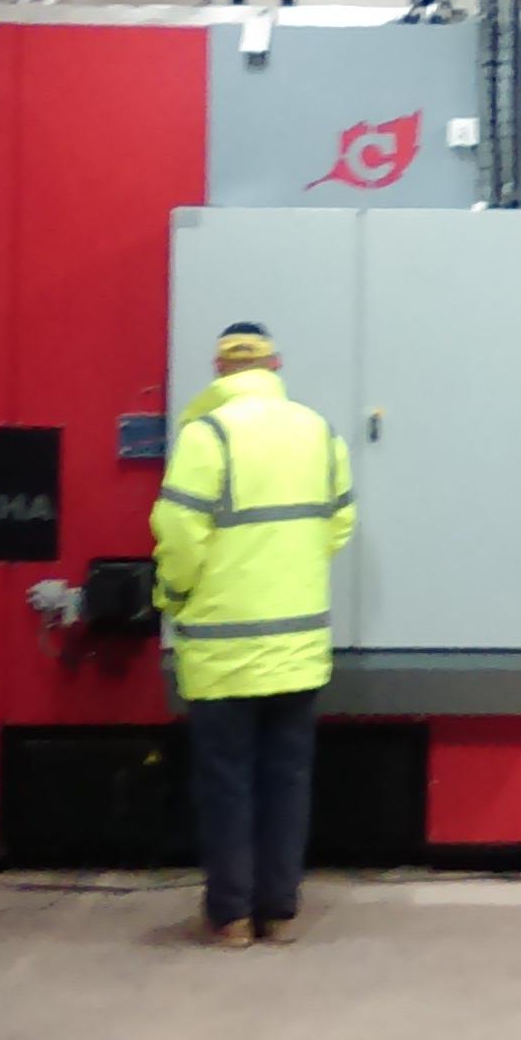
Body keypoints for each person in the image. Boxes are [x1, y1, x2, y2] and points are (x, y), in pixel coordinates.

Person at [150, 322, 355, 948]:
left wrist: (175, 595)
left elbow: (180, 534)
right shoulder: (317, 432)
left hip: (221, 648)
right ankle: (281, 912)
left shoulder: (206, 434)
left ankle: (232, 917)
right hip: (296, 648)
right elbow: (338, 524)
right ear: (275, 364)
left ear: (219, 370)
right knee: (287, 779)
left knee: (226, 781)